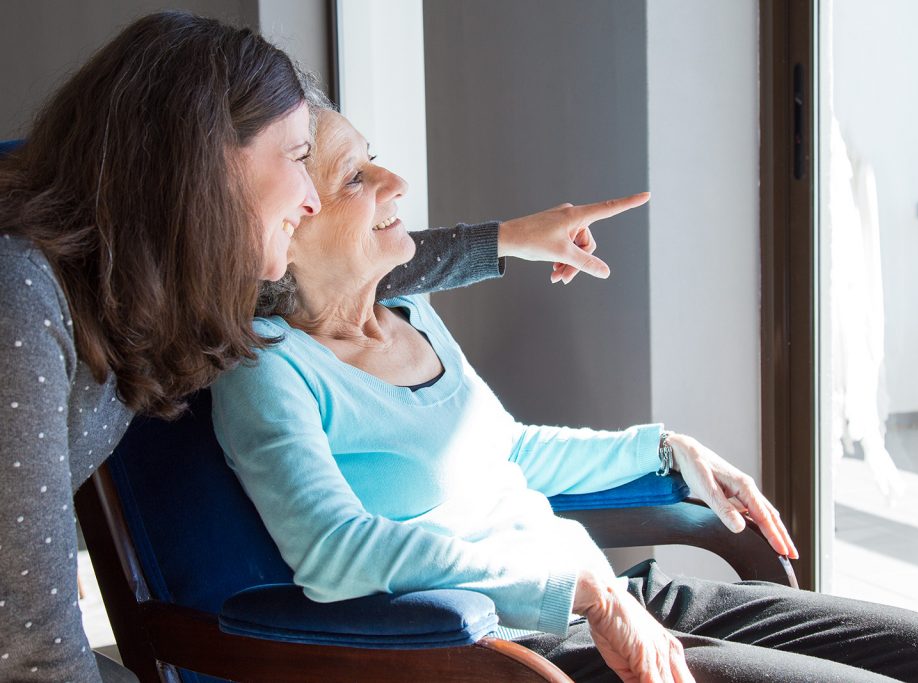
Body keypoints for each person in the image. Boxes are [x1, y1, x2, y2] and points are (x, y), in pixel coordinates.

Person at [211, 109, 918, 683]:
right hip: (518, 645)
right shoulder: (268, 370)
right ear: (290, 224)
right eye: (357, 176)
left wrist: (666, 448)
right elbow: (335, 555)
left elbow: (509, 451)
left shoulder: (410, 314)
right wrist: (582, 591)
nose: (395, 181)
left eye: (373, 158)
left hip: (609, 593)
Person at [0, 11, 634, 683]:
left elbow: (336, 270)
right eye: (301, 158)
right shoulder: (22, 301)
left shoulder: (144, 291)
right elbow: (34, 650)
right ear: (207, 161)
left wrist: (506, 240)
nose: (310, 199)